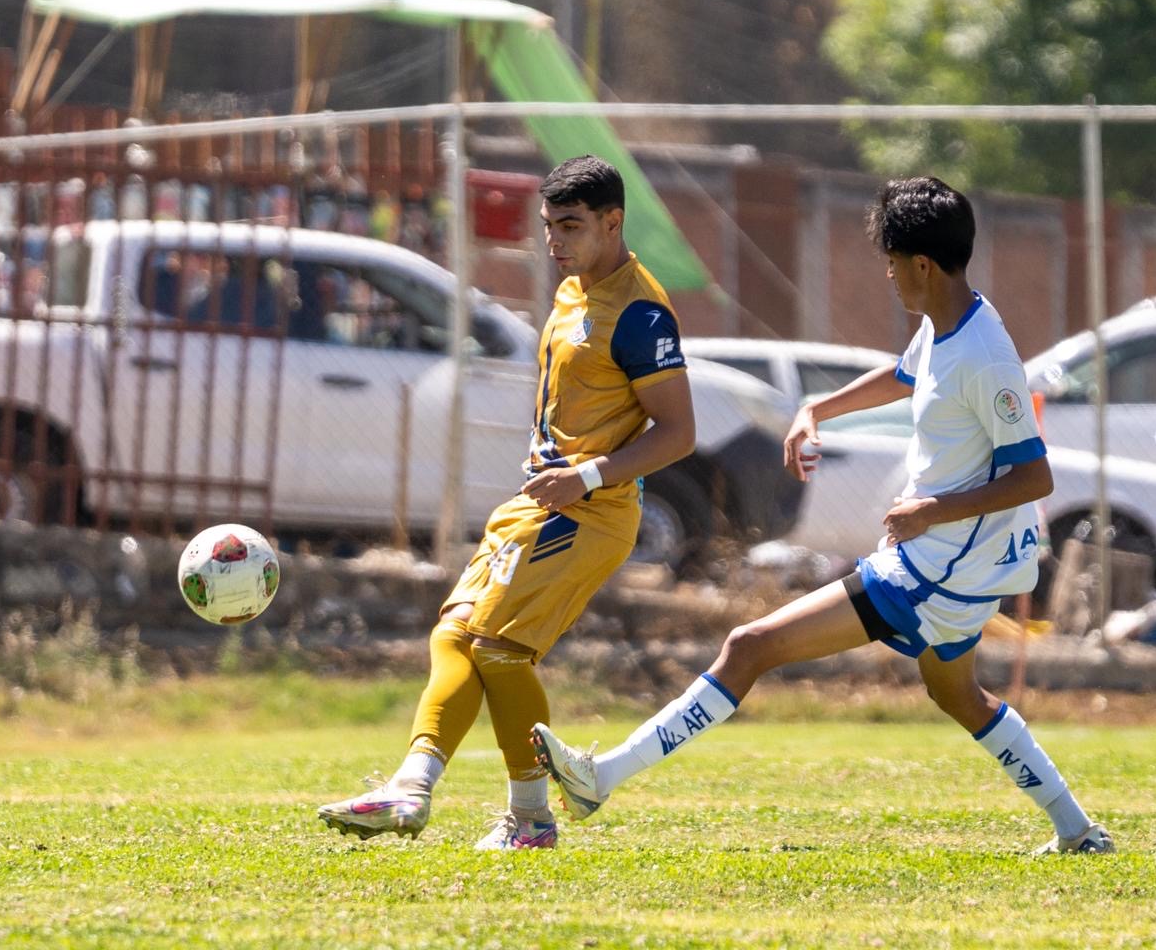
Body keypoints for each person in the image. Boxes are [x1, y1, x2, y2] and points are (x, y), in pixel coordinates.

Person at [533, 176, 1114, 856]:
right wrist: (816, 409)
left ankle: (602, 778)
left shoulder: (986, 357)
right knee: (959, 698)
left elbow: (1034, 474)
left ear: (921, 265)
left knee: (750, 646)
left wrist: (932, 510)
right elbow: (904, 376)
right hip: (949, 561)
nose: (890, 278)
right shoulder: (949, 325)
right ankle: (1077, 831)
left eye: (892, 265)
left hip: (939, 567)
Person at [318, 155, 696, 850]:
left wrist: (585, 478)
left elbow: (678, 434)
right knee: (454, 634)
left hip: (593, 511)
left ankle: (530, 820)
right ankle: (411, 786)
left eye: (572, 226)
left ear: (613, 222)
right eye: (549, 227)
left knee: (497, 650)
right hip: (538, 501)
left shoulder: (640, 311)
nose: (555, 242)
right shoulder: (573, 292)